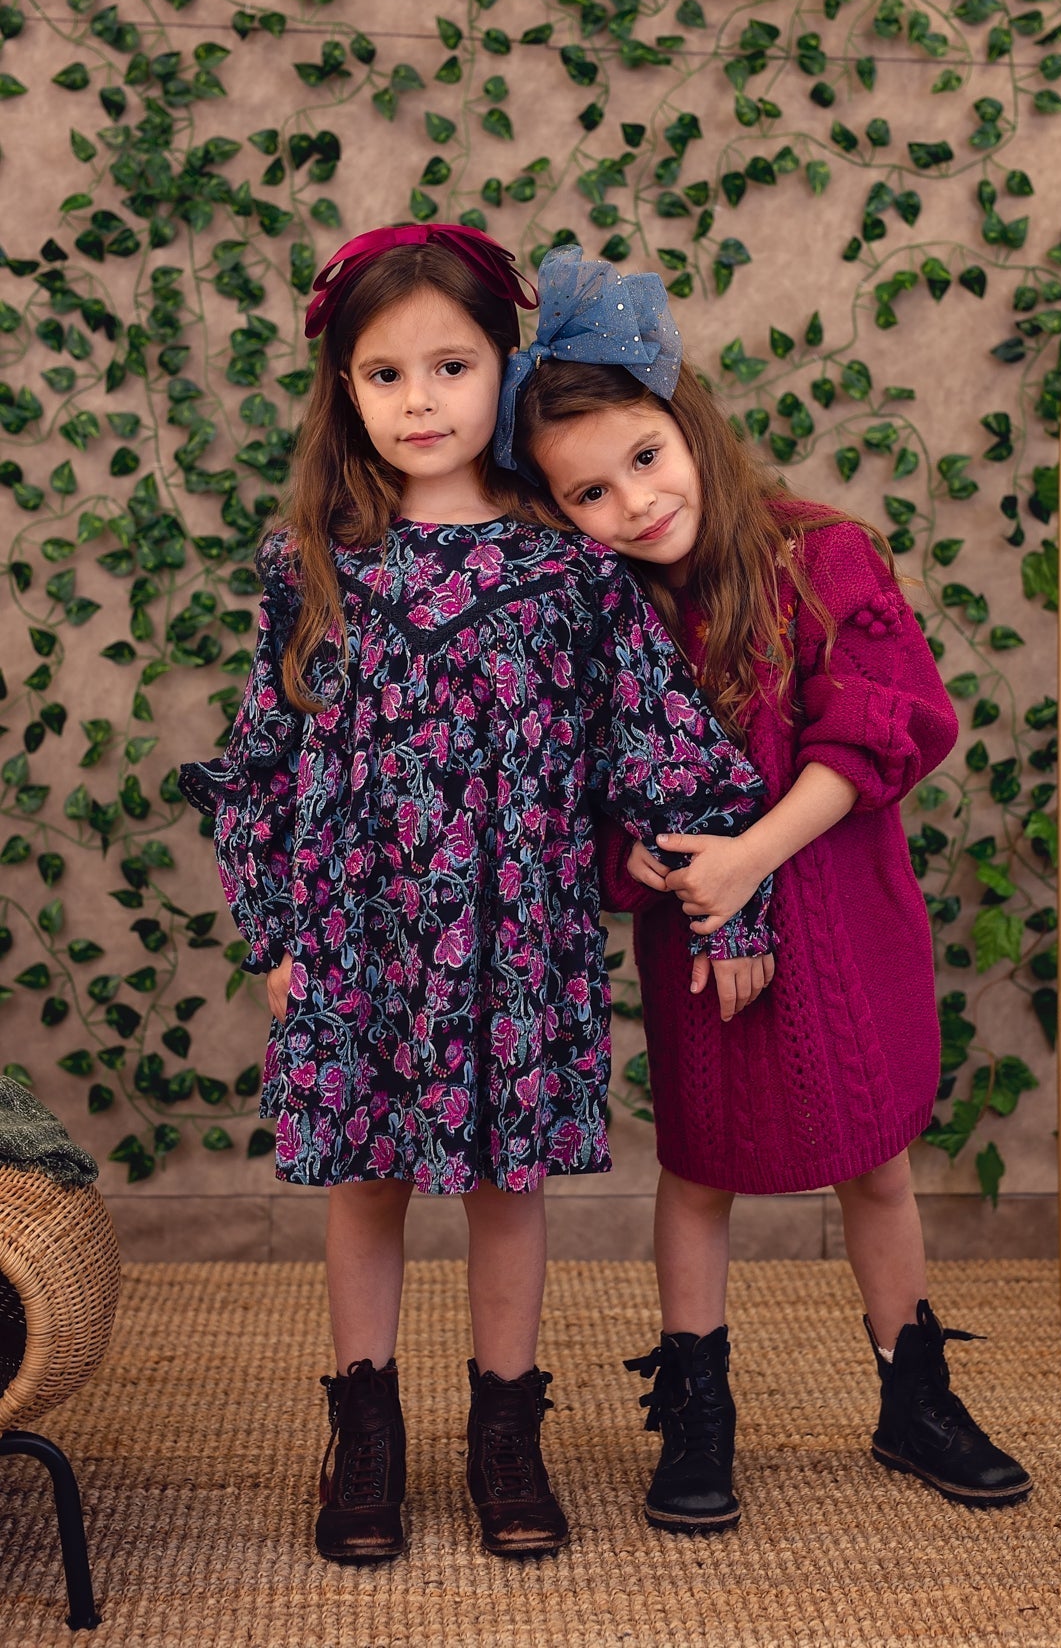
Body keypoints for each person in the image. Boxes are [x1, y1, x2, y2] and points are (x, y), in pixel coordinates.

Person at [178, 224, 776, 1566]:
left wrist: (730, 898)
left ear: (506, 368)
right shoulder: (311, 569)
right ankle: (366, 1437)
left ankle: (507, 1433)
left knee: (510, 1190)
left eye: (452, 366)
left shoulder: (570, 572)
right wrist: (275, 933)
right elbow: (263, 765)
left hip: (516, 943)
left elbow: (660, 747)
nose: (422, 400)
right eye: (384, 375)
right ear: (346, 393)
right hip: (358, 937)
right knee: (368, 1185)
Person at [499, 244, 1033, 1534]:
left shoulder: (820, 555)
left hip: (843, 918)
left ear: (688, 425)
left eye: (645, 458)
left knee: (878, 1167)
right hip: (699, 943)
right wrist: (643, 854)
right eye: (588, 494)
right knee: (701, 1175)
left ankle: (915, 1398)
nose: (634, 503)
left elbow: (880, 727)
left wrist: (749, 857)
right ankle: (699, 1415)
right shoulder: (604, 618)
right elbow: (585, 785)